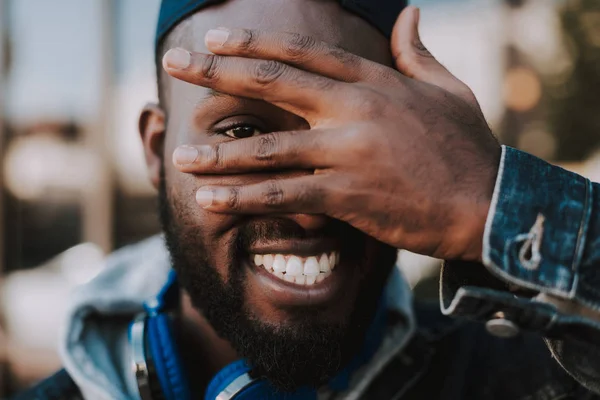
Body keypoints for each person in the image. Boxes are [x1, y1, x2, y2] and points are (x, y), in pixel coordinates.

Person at [13, 0, 600, 399]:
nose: (309, 208)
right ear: (156, 151)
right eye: (242, 132)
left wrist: (497, 200)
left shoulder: (522, 376)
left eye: (353, 139)